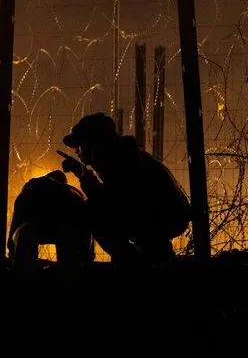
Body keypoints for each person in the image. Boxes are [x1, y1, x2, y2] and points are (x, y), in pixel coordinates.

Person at [57, 112, 190, 268]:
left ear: (91, 143)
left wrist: (83, 175)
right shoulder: (123, 155)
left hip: (162, 216)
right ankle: (154, 254)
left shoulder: (113, 158)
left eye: (79, 146)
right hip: (168, 214)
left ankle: (131, 262)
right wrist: (82, 172)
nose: (76, 151)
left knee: (90, 212)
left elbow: (108, 200)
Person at [7, 170, 94, 273]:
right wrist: (86, 259)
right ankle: (70, 280)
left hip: (33, 220)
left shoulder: (28, 192)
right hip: (65, 223)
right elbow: (85, 233)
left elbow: (15, 230)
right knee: (67, 236)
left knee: (25, 233)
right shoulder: (72, 195)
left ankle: (22, 281)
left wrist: (13, 254)